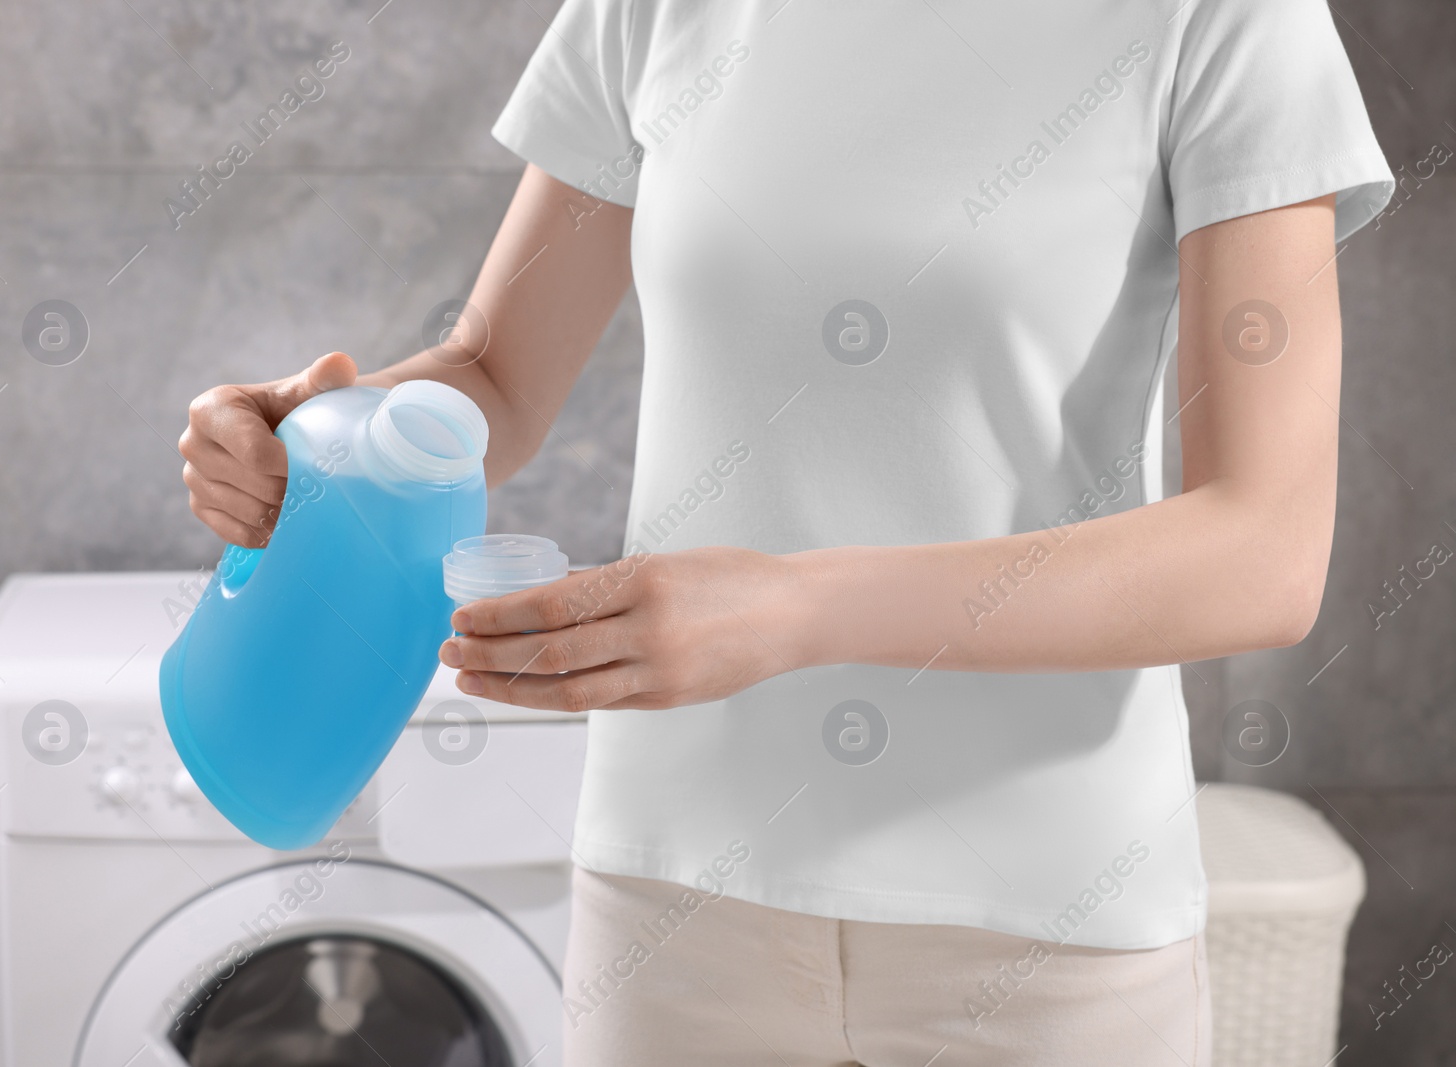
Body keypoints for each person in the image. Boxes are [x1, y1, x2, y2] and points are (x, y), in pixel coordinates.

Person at [177, 0, 1392, 1062]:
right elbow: (491, 375)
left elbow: (1261, 550)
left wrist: (793, 609)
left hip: (1044, 921)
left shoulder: (1225, 17)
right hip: (672, 901)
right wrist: (329, 439)